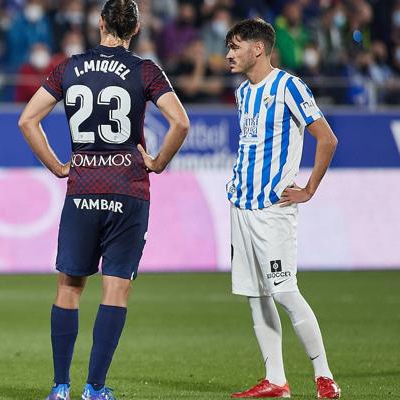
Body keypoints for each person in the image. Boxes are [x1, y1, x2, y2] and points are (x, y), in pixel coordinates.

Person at [18, 1, 189, 399]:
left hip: (82, 188)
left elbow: (28, 119)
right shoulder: (144, 69)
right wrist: (159, 162)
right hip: (128, 188)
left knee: (69, 286)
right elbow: (180, 121)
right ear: (136, 29)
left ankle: (60, 387)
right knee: (116, 289)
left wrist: (59, 166)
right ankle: (94, 388)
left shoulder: (69, 67)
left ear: (100, 23)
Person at [224, 18, 341, 399]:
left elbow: (326, 138)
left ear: (258, 48)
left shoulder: (289, 86)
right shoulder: (243, 93)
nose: (229, 54)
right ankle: (275, 379)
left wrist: (308, 189)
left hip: (273, 210)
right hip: (240, 205)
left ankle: (324, 377)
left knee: (285, 292)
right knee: (255, 295)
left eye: (236, 46)